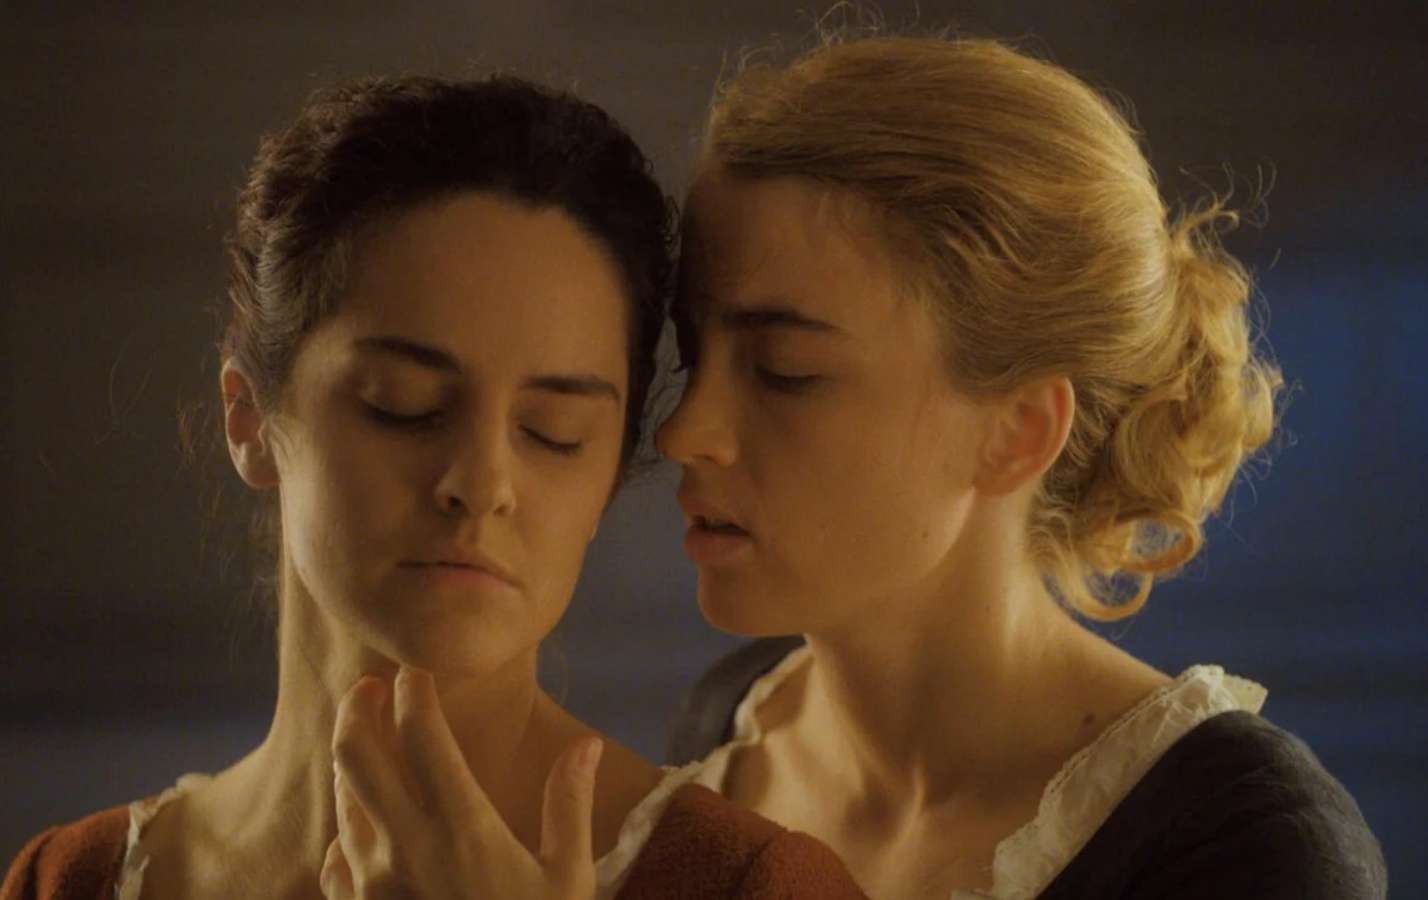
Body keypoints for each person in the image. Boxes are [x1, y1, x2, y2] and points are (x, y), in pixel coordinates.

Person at [1, 74, 867, 900]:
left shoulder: (745, 884)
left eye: (553, 433)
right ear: (250, 417)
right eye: (405, 405)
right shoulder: (77, 879)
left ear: (609, 474)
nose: (481, 484)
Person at [660, 33, 1388, 900]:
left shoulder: (1255, 847)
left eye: (785, 370)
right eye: (690, 355)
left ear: (1016, 433)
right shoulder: (732, 721)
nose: (685, 432)